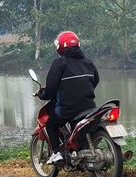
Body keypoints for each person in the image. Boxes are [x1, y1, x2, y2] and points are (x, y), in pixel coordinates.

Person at [36, 30, 99, 164]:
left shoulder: (60, 63)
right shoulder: (88, 62)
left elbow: (51, 88)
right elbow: (96, 80)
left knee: (51, 124)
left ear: (60, 47)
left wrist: (42, 94)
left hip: (67, 109)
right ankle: (77, 151)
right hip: (89, 107)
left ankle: (56, 153)